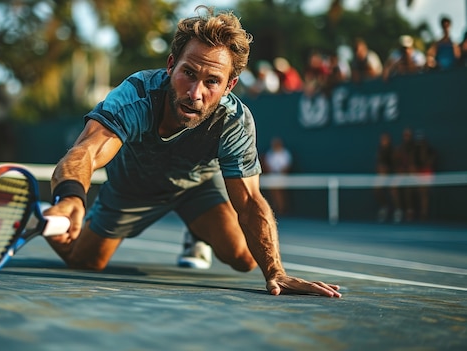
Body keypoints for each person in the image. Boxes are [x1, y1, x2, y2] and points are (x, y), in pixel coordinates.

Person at [42, 6, 341, 298]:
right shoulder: (136, 97)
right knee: (87, 261)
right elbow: (88, 151)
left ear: (229, 85)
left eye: (212, 81)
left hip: (197, 187)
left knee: (245, 257)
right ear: (171, 65)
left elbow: (249, 202)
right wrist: (69, 196)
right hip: (132, 191)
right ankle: (42, 213)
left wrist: (276, 271)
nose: (195, 93)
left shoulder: (234, 121)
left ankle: (196, 234)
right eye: (188, 73)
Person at [264, 137, 292, 216]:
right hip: (272, 177)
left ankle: (282, 209)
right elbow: (268, 166)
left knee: (280, 192)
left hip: (282, 177)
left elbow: (287, 166)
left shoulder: (285, 153)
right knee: (274, 192)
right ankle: (277, 208)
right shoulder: (270, 153)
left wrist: (281, 173)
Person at [374, 133, 395, 222]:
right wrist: (381, 170)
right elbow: (378, 165)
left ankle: (397, 209)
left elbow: (394, 164)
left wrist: (388, 171)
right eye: (382, 139)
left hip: (392, 175)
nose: (384, 141)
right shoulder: (380, 151)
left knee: (394, 191)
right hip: (383, 176)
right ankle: (384, 207)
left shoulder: (393, 151)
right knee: (376, 188)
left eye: (385, 139)